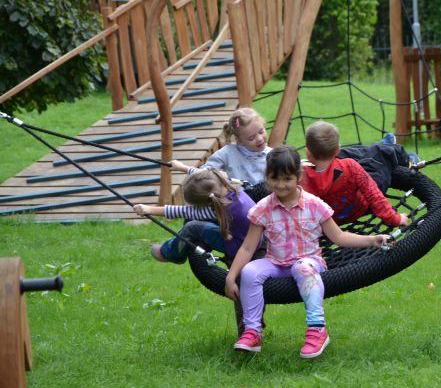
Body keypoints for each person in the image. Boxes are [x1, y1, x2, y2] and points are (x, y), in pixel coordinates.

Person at [225, 146, 388, 358]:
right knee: (250, 271)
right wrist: (231, 277)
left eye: (287, 179)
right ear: (266, 177)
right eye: (274, 179)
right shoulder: (263, 208)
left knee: (302, 267)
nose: (280, 185)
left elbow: (338, 237)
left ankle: (317, 328)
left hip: (309, 261)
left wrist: (372, 240)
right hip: (276, 263)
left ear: (298, 176)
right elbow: (248, 247)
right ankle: (253, 331)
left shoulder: (314, 205)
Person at [133, 169, 259, 264]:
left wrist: (149, 209)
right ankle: (179, 243)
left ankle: (171, 253)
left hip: (240, 246)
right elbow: (205, 178)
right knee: (194, 222)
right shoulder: (229, 186)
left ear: (206, 203)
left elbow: (183, 212)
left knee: (191, 226)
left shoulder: (222, 208)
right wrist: (182, 167)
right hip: (254, 237)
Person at [300, 121, 410, 227]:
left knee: (347, 154)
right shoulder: (350, 166)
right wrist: (394, 219)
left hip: (329, 222)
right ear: (337, 149)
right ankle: (402, 158)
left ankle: (379, 147)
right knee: (380, 160)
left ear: (308, 152)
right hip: (360, 209)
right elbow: (373, 194)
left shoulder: (300, 177)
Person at [170, 107, 271, 185]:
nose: (260, 139)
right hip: (240, 202)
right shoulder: (228, 153)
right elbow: (205, 174)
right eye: (251, 138)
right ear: (239, 140)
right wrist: (182, 167)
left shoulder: (272, 154)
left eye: (261, 131)